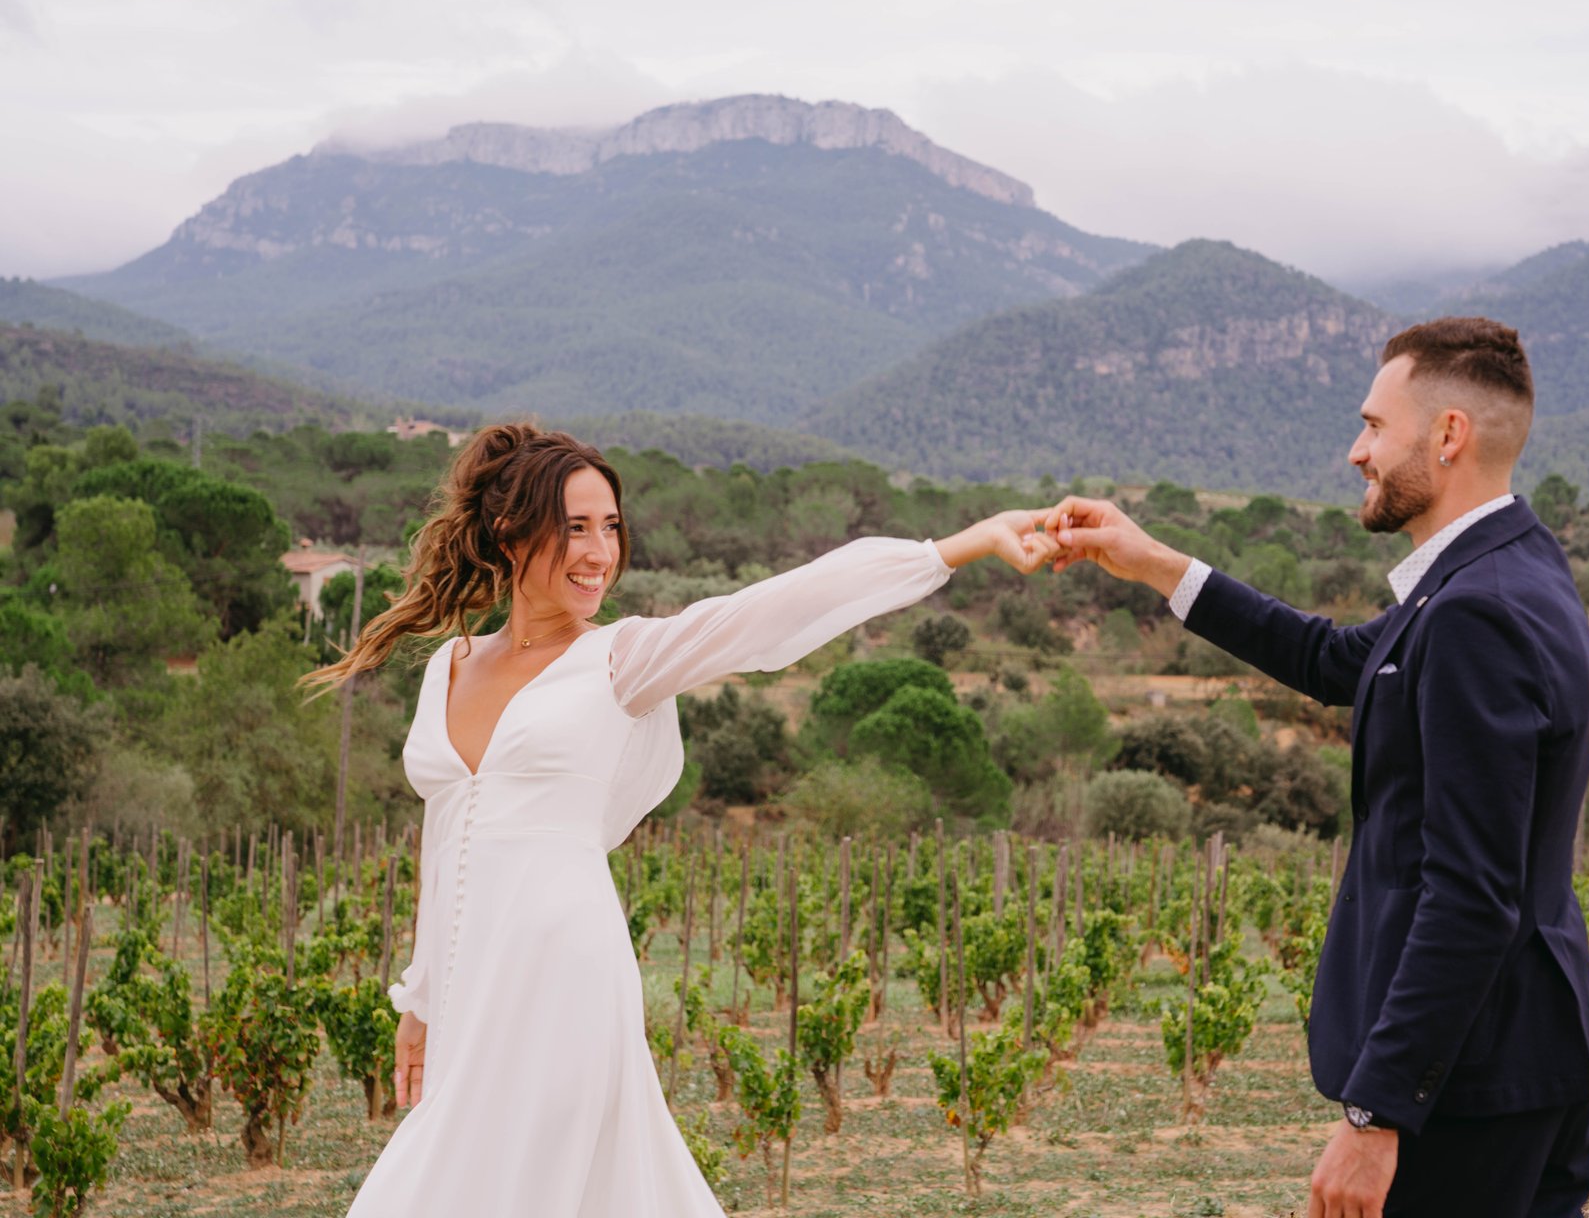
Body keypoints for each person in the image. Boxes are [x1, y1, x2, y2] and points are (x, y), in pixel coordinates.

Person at [304, 423, 1058, 1217]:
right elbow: (445, 843)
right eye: (575, 527)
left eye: (612, 528)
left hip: (564, 976)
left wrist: (958, 547)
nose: (600, 552)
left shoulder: (622, 659)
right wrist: (420, 1003)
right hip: (470, 991)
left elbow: (776, 607)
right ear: (508, 531)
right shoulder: (446, 669)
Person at [1044, 317, 1589, 1218]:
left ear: (1448, 434)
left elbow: (1471, 892)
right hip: (1522, 1058)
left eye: (1374, 426)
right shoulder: (1510, 571)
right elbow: (1335, 661)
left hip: (1464, 1092)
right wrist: (1154, 564)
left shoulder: (1474, 615)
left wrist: (1376, 1113)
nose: (1356, 451)